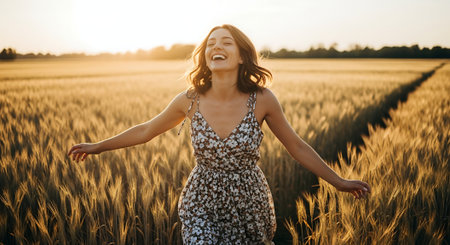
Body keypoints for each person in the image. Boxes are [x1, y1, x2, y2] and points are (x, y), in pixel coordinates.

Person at [68, 24, 371, 244]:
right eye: (211, 43)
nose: (216, 47)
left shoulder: (263, 99)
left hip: (249, 202)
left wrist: (339, 182)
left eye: (226, 43)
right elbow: (147, 130)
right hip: (202, 199)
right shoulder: (190, 99)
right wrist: (97, 147)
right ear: (205, 56)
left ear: (241, 57)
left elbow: (297, 147)